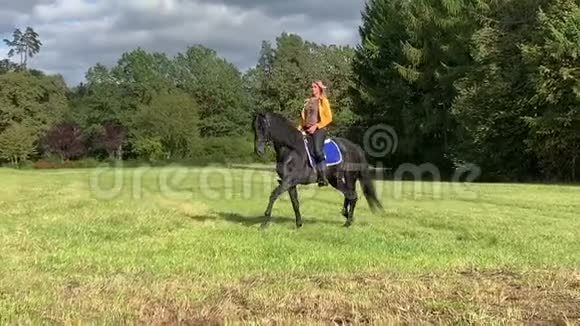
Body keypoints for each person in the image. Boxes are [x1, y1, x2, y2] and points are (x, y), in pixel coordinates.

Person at [299, 80, 333, 186]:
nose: (312, 89)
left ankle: (322, 177)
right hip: (306, 129)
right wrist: (299, 128)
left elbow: (329, 118)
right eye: (312, 87)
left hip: (319, 129)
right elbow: (303, 118)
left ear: (319, 89)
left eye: (314, 87)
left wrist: (316, 126)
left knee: (317, 150)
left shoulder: (324, 101)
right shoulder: (308, 101)